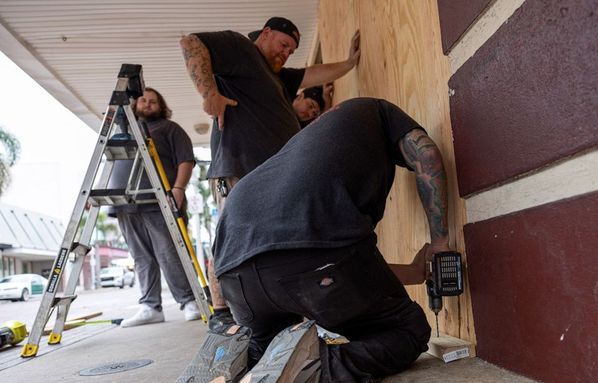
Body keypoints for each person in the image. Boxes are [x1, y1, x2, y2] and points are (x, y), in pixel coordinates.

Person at [213, 98, 451, 382]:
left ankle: (233, 363)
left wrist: (412, 272)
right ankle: (314, 369)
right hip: (309, 261)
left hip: (233, 268)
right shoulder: (377, 110)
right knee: (406, 330)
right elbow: (425, 155)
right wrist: (439, 241)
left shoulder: (306, 149)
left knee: (268, 349)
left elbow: (338, 265)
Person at [179, 17, 360, 330]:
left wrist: (350, 63)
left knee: (273, 246)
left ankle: (275, 313)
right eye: (283, 44)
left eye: (291, 50)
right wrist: (209, 93)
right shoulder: (241, 50)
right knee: (230, 238)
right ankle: (221, 315)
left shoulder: (279, 79)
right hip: (239, 169)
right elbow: (191, 43)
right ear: (265, 34)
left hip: (272, 177)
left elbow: (314, 73)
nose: (286, 53)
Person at [109, 87, 201, 327]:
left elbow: (185, 160)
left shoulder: (170, 129)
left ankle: (189, 301)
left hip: (158, 201)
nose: (148, 104)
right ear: (134, 105)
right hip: (124, 204)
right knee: (141, 257)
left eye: (153, 102)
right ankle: (150, 307)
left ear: (161, 107)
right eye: (143, 100)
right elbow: (108, 162)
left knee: (169, 252)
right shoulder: (122, 132)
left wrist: (178, 189)